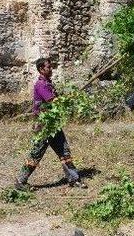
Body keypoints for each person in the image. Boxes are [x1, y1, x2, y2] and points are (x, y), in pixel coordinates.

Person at [15, 58, 87, 191]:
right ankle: (20, 181)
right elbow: (53, 101)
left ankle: (74, 178)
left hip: (53, 125)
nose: (51, 69)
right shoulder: (41, 85)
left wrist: (68, 99)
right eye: (48, 67)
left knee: (64, 151)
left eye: (51, 66)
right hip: (43, 125)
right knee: (36, 153)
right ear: (41, 69)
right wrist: (68, 100)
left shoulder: (49, 84)